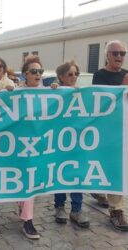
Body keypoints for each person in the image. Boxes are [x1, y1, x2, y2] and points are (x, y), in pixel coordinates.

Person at [91, 39, 128, 232]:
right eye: (116, 53)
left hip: (122, 132)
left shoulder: (127, 74)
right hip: (105, 130)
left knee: (117, 168)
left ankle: (116, 209)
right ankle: (96, 189)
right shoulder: (100, 75)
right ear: (107, 55)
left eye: (123, 54)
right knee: (102, 165)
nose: (119, 57)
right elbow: (103, 102)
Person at [53, 61, 90, 228]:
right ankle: (59, 207)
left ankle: (76, 209)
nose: (74, 77)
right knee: (60, 175)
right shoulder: (55, 92)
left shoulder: (82, 94)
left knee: (77, 174)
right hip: (59, 142)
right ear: (61, 77)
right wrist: (53, 91)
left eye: (76, 74)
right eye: (70, 74)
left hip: (77, 142)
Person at [17, 55, 46, 239]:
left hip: (42, 145)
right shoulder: (16, 93)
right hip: (20, 145)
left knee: (33, 182)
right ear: (25, 75)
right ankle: (27, 220)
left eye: (40, 71)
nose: (38, 74)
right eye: (34, 71)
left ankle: (25, 212)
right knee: (27, 182)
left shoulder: (50, 93)